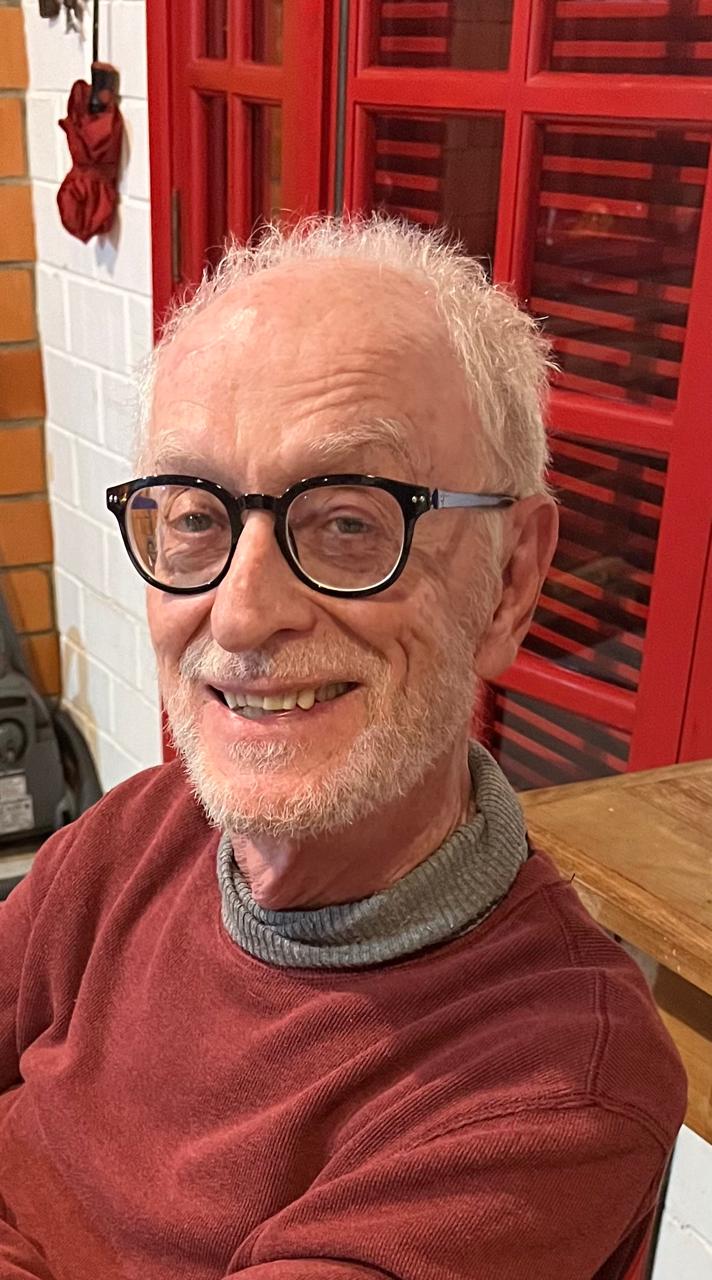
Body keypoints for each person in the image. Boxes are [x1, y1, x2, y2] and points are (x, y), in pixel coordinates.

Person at [0, 216, 685, 1280]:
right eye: (195, 517)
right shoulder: (134, 832)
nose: (240, 614)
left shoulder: (555, 1079)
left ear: (510, 581)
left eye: (351, 521)